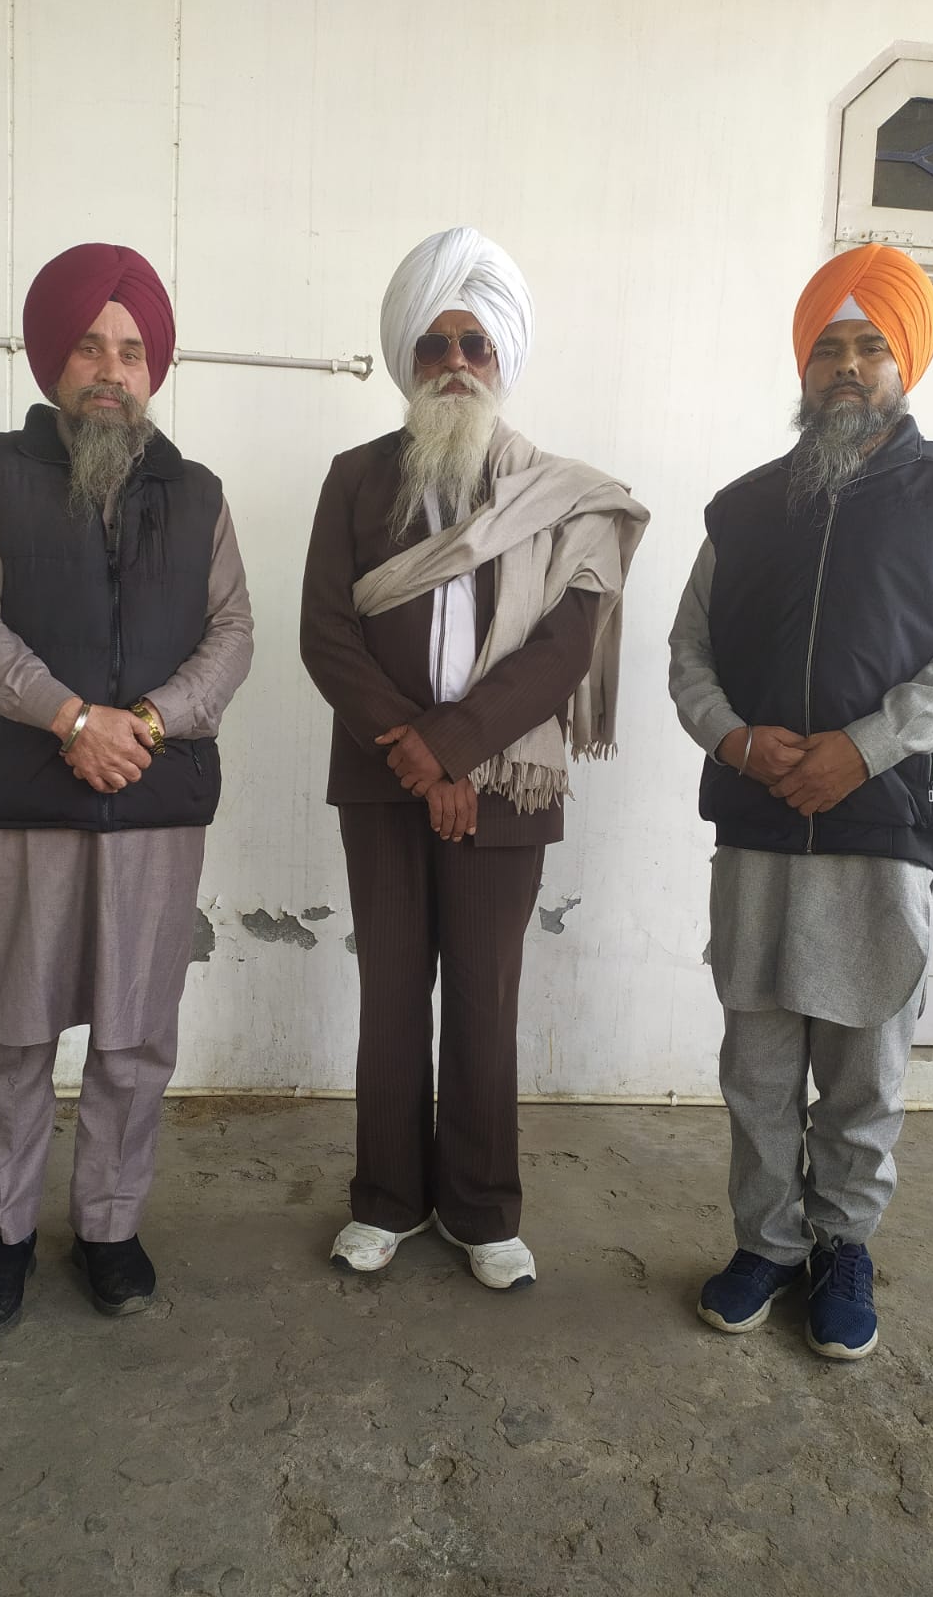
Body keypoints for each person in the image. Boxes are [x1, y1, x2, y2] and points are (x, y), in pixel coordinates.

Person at [669, 243, 933, 1359]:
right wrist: (737, 739)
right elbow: (688, 654)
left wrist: (861, 753)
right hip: (760, 821)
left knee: (865, 1065)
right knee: (759, 1062)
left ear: (904, 363)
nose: (850, 367)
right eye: (830, 348)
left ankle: (843, 1244)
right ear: (804, 366)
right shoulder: (743, 511)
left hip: (883, 824)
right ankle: (766, 1243)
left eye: (872, 347)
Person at [301, 226, 648, 1290]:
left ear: (503, 359)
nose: (455, 362)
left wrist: (453, 751)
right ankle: (386, 1200)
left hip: (507, 779)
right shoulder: (355, 479)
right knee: (393, 994)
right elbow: (326, 634)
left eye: (475, 345)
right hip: (382, 778)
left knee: (486, 1001)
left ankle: (483, 1210)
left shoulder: (560, 492)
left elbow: (566, 646)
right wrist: (421, 760)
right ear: (409, 360)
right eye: (435, 344)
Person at [0, 242, 253, 1336]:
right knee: (13, 1034)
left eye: (131, 351)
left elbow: (232, 632)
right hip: (21, 806)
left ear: (153, 369)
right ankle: (1, 1235)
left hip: (153, 809)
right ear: (50, 361)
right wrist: (69, 717)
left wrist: (146, 723)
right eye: (89, 347)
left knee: (134, 1038)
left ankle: (110, 1225)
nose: (111, 371)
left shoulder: (198, 494)